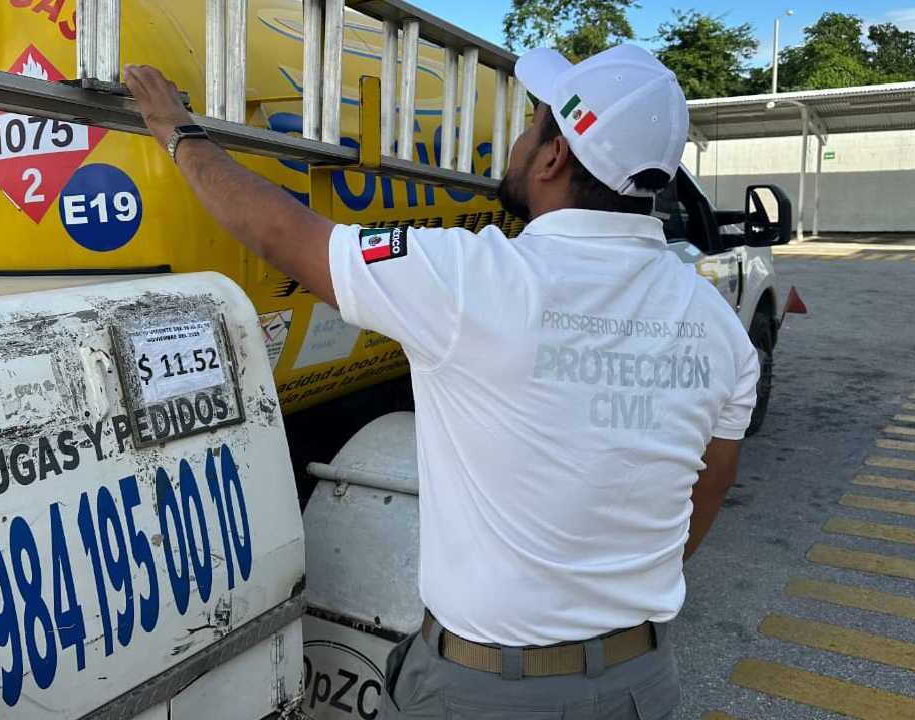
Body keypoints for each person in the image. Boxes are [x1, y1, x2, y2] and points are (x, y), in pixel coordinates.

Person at [123, 41, 757, 720]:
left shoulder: (472, 280)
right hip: (639, 682)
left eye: (532, 126)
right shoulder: (716, 323)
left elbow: (284, 233)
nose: (516, 143)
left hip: (488, 695)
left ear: (553, 157)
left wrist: (176, 130)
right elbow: (710, 484)